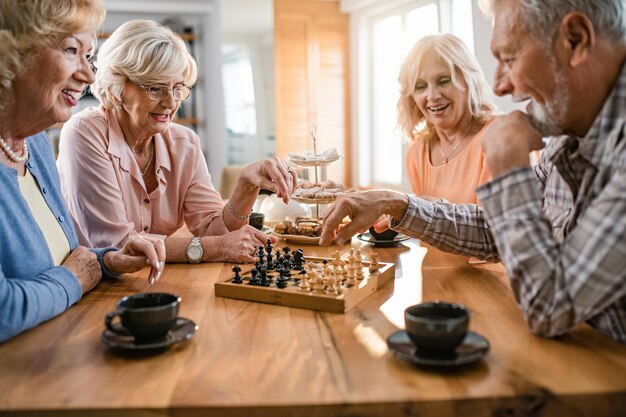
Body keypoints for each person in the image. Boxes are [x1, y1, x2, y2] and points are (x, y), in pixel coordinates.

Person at [320, 0, 626, 345]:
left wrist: (509, 168)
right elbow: (494, 230)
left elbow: (550, 306)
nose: (500, 85)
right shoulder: (567, 134)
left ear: (575, 39)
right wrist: (396, 203)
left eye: (509, 58)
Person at [57, 20, 297, 265]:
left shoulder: (185, 143)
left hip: (158, 278)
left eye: (178, 87)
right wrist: (216, 248)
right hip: (93, 287)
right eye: (155, 88)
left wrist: (246, 186)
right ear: (117, 86)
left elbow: (215, 230)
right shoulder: (84, 132)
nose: (171, 103)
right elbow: (117, 246)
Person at [0, 0, 166, 343]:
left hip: (65, 351)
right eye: (71, 50)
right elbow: (5, 309)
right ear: (11, 52)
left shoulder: (37, 143)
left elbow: (67, 258)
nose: (89, 75)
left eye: (88, 56)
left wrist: (108, 261)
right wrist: (76, 278)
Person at [398, 33, 495, 204]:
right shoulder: (417, 152)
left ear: (469, 81)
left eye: (444, 81)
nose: (432, 96)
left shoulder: (501, 135)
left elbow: (495, 226)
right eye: (420, 87)